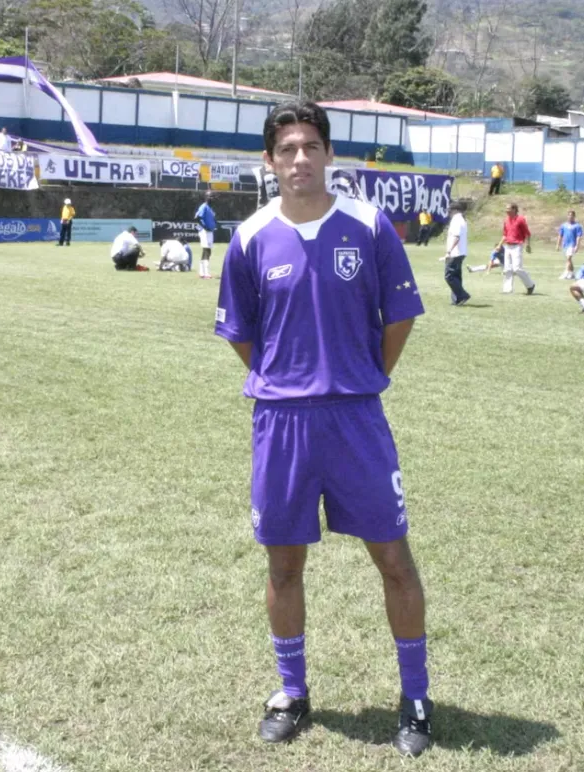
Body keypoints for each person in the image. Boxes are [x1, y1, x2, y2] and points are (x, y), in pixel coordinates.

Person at [215, 101, 433, 757]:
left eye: (310, 146)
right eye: (287, 149)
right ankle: (292, 691)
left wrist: (361, 376)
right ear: (269, 160)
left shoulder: (368, 227)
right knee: (283, 566)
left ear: (329, 155)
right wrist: (286, 381)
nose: (299, 159)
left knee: (393, 558)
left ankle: (415, 698)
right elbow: (241, 334)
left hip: (356, 419)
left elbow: (399, 316)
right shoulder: (251, 237)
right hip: (280, 423)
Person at [499, 202, 536, 295]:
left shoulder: (520, 219)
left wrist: (528, 245)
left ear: (514, 209)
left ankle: (530, 285)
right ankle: (507, 289)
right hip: (507, 246)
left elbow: (527, 233)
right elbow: (505, 234)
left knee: (517, 268)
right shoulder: (506, 220)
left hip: (517, 246)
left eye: (508, 209)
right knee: (507, 269)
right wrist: (499, 245)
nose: (506, 211)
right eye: (506, 209)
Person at [440, 199, 470, 305]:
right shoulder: (462, 220)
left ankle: (463, 295)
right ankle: (457, 299)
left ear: (456, 210)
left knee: (449, 276)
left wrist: (449, 251)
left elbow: (456, 237)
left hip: (455, 253)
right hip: (461, 252)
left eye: (450, 210)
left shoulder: (456, 220)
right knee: (456, 276)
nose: (449, 212)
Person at [556, 210, 584, 280]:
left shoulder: (577, 226)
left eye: (572, 215)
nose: (570, 217)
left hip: (572, 245)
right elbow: (560, 235)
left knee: (569, 259)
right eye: (569, 215)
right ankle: (572, 274)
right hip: (565, 244)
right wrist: (558, 244)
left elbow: (578, 236)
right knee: (569, 259)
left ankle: (565, 273)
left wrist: (577, 246)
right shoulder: (563, 225)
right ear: (567, 216)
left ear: (574, 216)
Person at [195, 193, 217, 279]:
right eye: (211, 197)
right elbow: (197, 218)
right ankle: (206, 272)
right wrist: (205, 227)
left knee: (208, 251)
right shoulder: (203, 206)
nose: (213, 199)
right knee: (206, 250)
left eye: (213, 197)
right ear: (207, 197)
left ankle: (202, 272)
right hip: (204, 231)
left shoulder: (210, 208)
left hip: (210, 231)